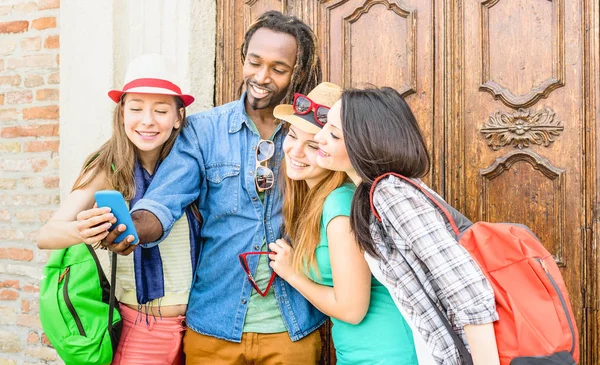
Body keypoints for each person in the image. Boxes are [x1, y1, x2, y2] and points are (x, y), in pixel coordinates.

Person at [101, 11, 326, 365]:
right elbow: (163, 201)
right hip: (214, 328)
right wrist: (131, 230)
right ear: (243, 59)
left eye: (278, 69)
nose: (262, 77)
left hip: (293, 325)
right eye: (254, 62)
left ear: (296, 71)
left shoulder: (312, 136)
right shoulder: (203, 131)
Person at [313, 86, 501, 365]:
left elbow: (468, 290)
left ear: (365, 143)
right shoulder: (369, 196)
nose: (318, 138)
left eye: (334, 134)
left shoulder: (391, 194)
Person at [37, 54, 201, 364]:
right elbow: (46, 235)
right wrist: (80, 230)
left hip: (198, 330)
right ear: (122, 112)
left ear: (179, 117)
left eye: (161, 110)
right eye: (136, 108)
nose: (147, 120)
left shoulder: (191, 167)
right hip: (140, 331)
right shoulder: (108, 166)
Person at [267, 82, 419, 364]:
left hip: (385, 353)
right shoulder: (317, 201)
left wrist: (292, 274)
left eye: (312, 144)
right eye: (292, 135)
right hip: (362, 351)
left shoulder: (339, 204)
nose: (296, 152)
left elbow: (352, 309)